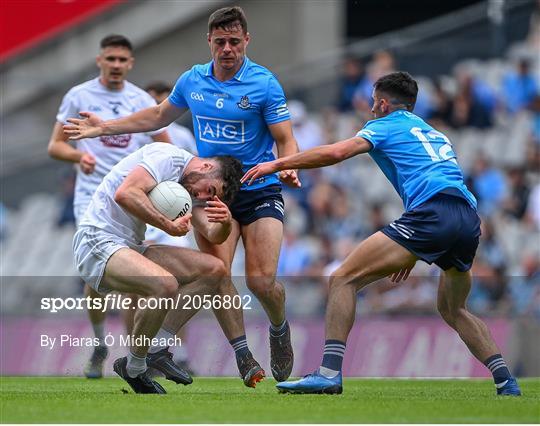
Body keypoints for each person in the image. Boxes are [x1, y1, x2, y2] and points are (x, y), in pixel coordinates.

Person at [242, 71, 522, 397]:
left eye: (374, 104)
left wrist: (275, 164)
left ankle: (329, 373)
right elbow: (434, 180)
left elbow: (335, 154)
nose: (371, 110)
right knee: (453, 308)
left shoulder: (384, 125)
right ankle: (506, 381)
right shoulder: (433, 133)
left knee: (342, 278)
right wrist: (412, 247)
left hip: (431, 217)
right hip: (466, 219)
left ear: (384, 103)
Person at [63, 6, 300, 383]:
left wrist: (288, 164)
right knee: (216, 275)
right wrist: (104, 127)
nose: (227, 49)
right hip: (208, 190)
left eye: (234, 42)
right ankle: (239, 356)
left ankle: (278, 328)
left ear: (246, 41)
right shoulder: (193, 80)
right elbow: (157, 116)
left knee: (260, 282)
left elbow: (285, 138)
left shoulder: (264, 83)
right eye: (220, 41)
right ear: (209, 41)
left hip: (258, 187)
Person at [73, 142, 257, 393]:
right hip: (96, 239)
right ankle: (137, 365)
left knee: (215, 269)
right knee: (164, 284)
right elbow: (125, 193)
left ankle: (155, 349)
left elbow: (213, 234)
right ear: (206, 166)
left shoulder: (189, 188)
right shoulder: (166, 157)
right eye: (210, 189)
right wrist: (167, 226)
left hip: (128, 245)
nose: (203, 197)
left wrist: (225, 223)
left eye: (211, 197)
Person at [47, 34, 171, 379]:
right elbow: (55, 146)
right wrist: (78, 155)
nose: (116, 65)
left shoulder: (140, 98)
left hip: (131, 196)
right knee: (97, 279)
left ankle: (137, 352)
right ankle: (102, 342)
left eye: (122, 60)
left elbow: (164, 143)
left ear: (131, 64)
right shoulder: (79, 96)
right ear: (99, 60)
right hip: (92, 197)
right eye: (110, 59)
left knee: (132, 275)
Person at [145, 81, 198, 154]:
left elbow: (195, 157)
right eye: (155, 104)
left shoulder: (183, 133)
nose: (158, 111)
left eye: (162, 105)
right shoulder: (134, 134)